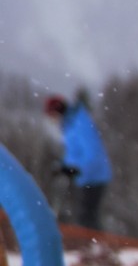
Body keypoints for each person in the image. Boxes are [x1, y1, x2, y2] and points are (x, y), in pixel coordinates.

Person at [42, 93, 113, 231]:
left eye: (53, 116)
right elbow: (74, 153)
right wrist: (63, 166)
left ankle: (97, 246)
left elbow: (93, 152)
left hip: (95, 176)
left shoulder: (79, 123)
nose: (53, 121)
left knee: (87, 216)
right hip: (84, 178)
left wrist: (77, 169)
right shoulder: (70, 125)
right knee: (83, 215)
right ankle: (93, 245)